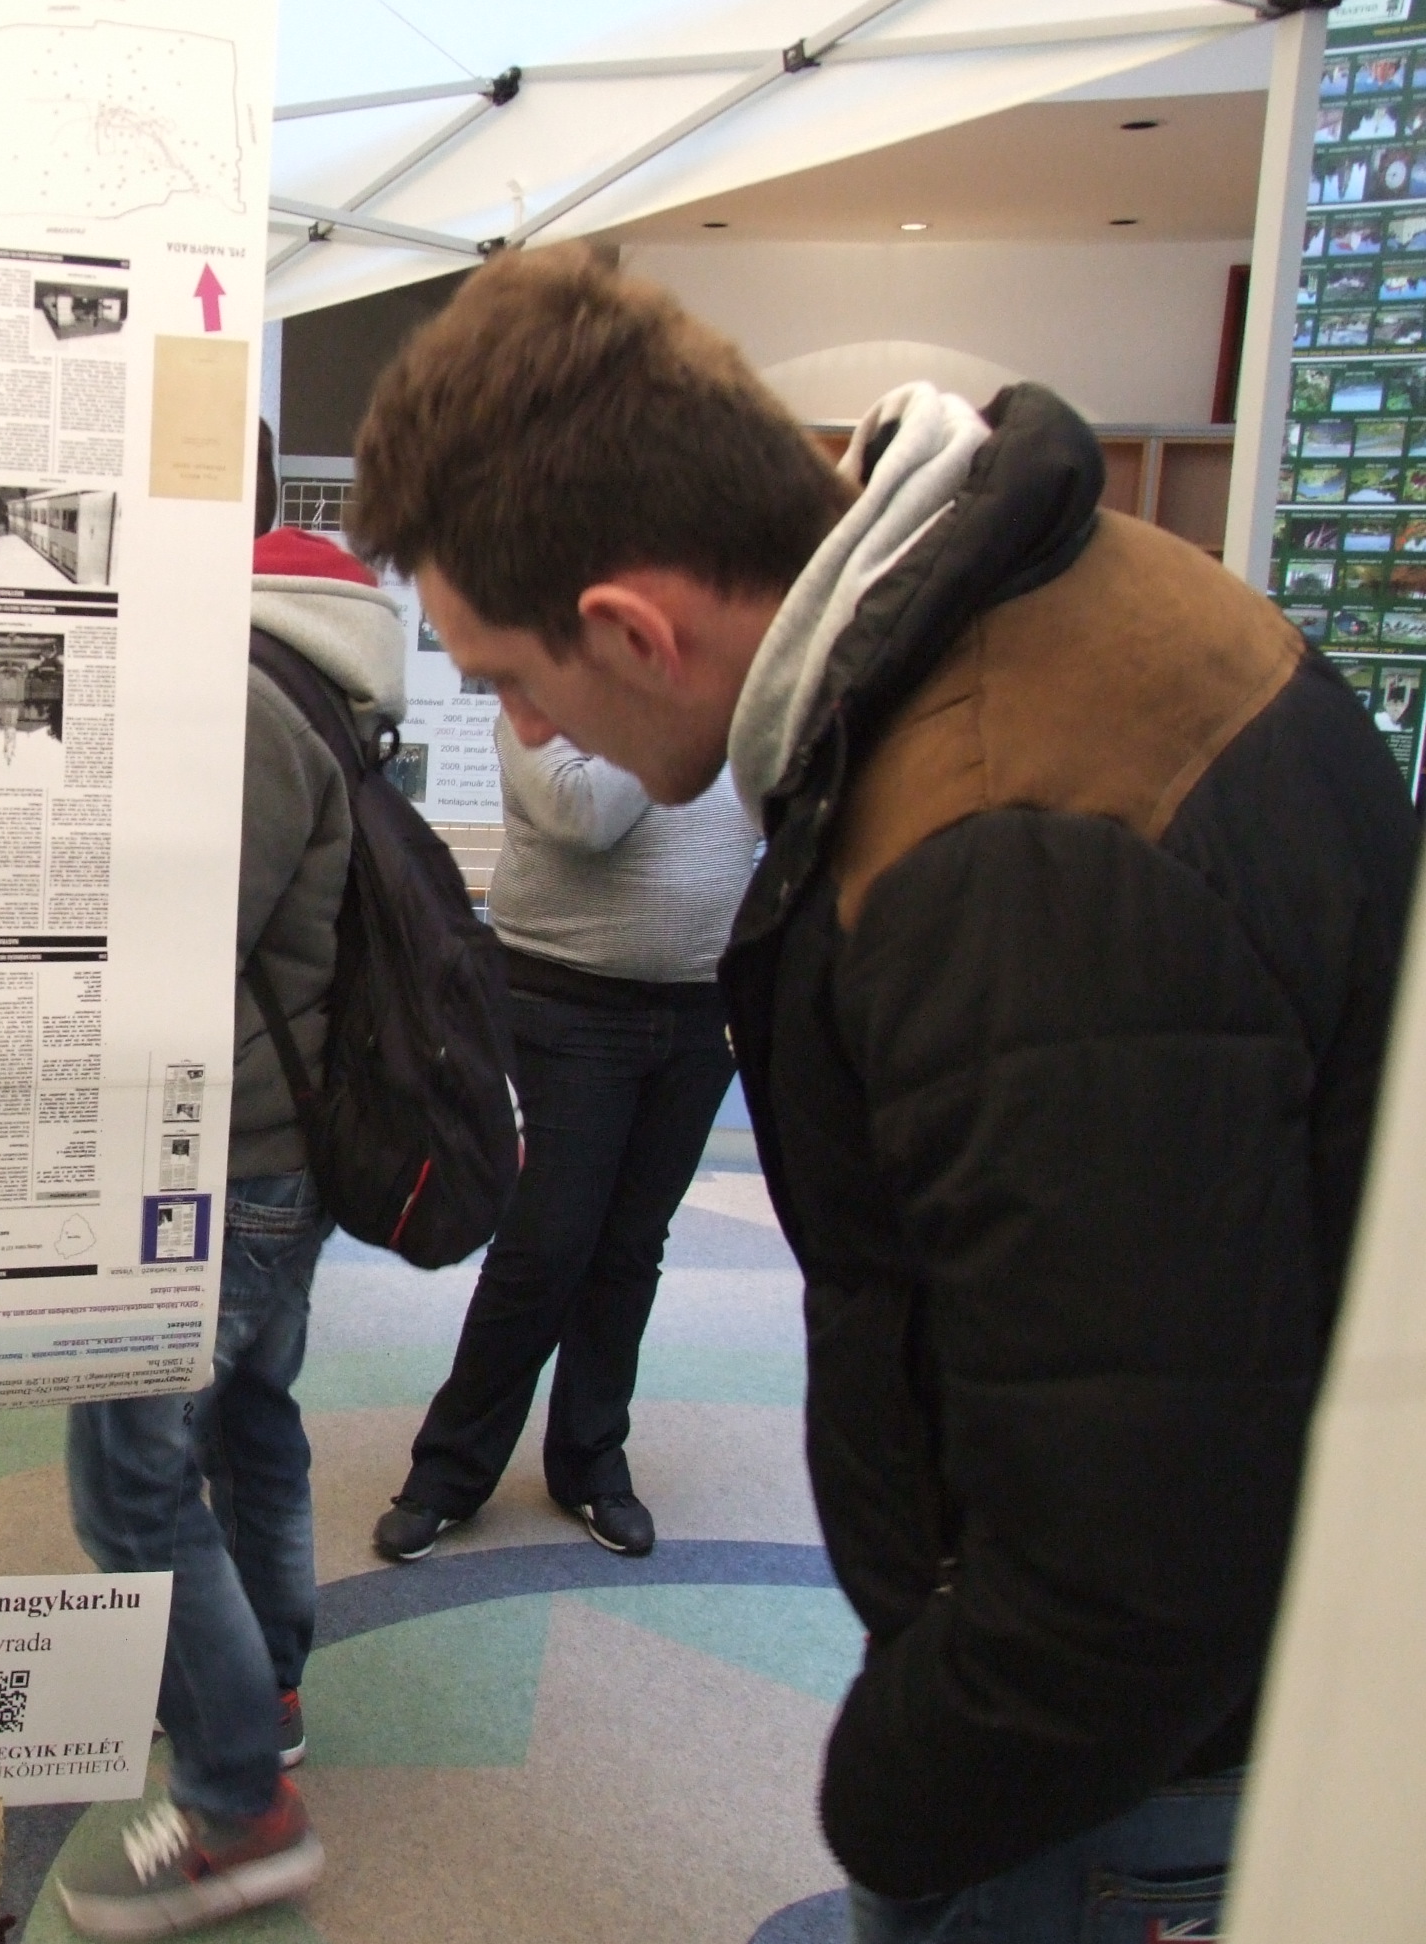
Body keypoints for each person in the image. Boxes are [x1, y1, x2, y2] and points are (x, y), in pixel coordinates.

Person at [348, 245, 1417, 1941]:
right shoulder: (1043, 611)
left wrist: (889, 1804)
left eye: (507, 682)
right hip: (1155, 1701)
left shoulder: (1005, 850)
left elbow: (1123, 1572)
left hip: (1118, 1782)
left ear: (630, 628)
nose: (523, 727)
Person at [55, 522, 404, 1937]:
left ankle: (237, 1806)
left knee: (130, 1486)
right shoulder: (336, 705)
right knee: (252, 1423)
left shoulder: (257, 707)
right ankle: (268, 1689)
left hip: (219, 1165)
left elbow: (183, 945)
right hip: (281, 1152)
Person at [373, 714, 755, 1565]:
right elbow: (586, 815)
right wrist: (676, 706)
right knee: (543, 1248)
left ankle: (590, 1461)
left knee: (630, 1247)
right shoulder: (543, 693)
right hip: (566, 1005)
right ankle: (447, 1474)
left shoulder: (733, 697)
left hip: (700, 1010)